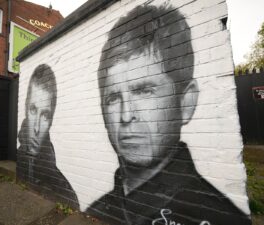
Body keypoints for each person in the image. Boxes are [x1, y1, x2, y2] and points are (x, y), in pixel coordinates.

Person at [86, 4, 251, 225]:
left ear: (186, 102)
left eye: (144, 91)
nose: (126, 116)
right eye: (113, 98)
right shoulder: (97, 209)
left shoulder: (221, 218)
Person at [17, 64, 79, 208]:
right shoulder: (17, 162)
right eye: (33, 110)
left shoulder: (65, 194)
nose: (37, 127)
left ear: (51, 121)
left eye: (45, 115)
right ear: (25, 108)